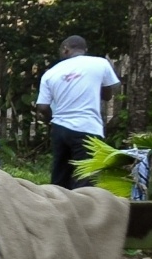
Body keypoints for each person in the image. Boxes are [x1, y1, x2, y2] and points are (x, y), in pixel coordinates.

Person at [36, 35, 119, 188]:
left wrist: (51, 120)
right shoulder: (100, 63)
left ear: (65, 49)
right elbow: (107, 95)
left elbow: (42, 106)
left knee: (60, 176)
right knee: (86, 178)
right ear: (85, 50)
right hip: (87, 127)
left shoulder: (51, 73)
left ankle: (58, 208)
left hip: (60, 129)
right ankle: (83, 209)